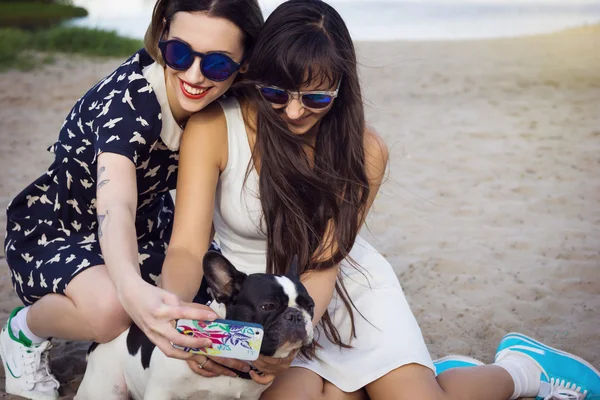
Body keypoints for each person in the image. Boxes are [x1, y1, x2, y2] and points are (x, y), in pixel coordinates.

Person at [165, 0, 600, 399]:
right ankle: (415, 374)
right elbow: (186, 246)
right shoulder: (215, 129)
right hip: (258, 304)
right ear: (259, 76)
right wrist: (174, 318)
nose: (295, 113)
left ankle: (522, 369)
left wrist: (295, 335)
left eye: (316, 97)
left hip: (335, 291)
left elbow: (324, 263)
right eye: (278, 94)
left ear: (341, 90)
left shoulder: (365, 151)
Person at [0, 0, 264, 398]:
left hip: (148, 228)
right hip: (60, 230)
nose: (194, 75)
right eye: (179, 53)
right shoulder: (131, 101)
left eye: (217, 65)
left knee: (206, 303)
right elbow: (116, 204)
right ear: (162, 35)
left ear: (243, 64)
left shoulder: (230, 100)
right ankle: (24, 330)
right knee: (113, 309)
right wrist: (129, 288)